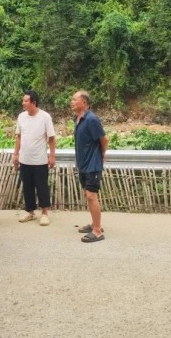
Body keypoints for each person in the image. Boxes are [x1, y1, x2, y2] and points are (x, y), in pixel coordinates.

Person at [13, 90, 56, 226]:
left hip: (40, 160)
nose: (23, 103)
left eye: (26, 101)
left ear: (34, 102)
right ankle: (30, 212)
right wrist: (16, 154)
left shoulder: (45, 117)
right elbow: (19, 136)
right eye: (23, 100)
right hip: (24, 159)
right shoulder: (21, 117)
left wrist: (52, 156)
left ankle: (45, 213)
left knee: (42, 186)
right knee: (27, 187)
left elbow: (51, 138)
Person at [70, 90, 108, 242]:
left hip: (93, 164)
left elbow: (104, 140)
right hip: (83, 164)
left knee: (92, 196)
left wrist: (101, 155)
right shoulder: (78, 118)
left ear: (84, 102)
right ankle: (94, 224)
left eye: (75, 99)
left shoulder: (92, 119)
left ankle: (97, 231)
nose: (72, 102)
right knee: (88, 195)